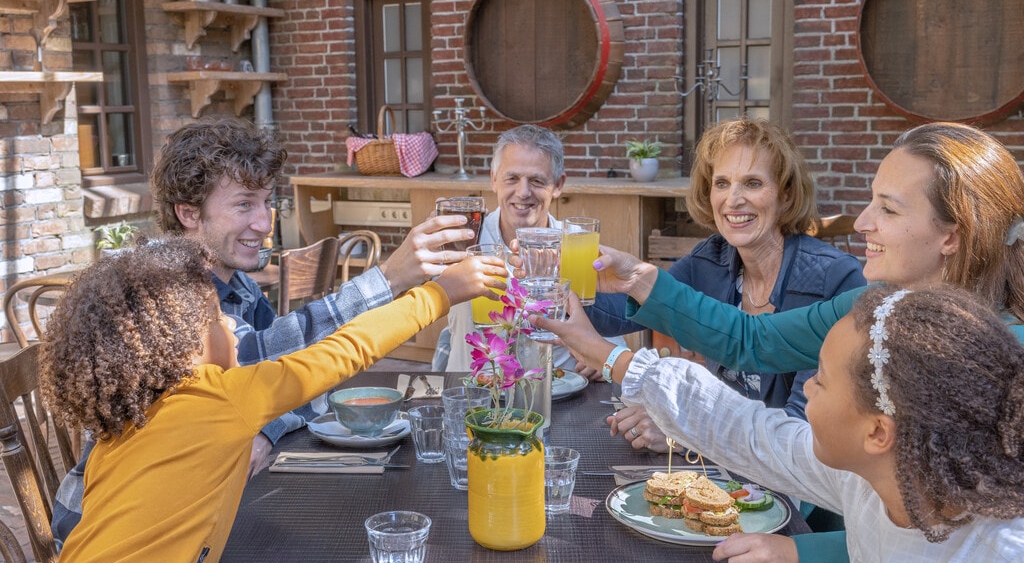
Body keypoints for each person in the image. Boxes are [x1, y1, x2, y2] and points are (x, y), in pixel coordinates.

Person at [571, 121, 1024, 561]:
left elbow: (957, 536)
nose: (863, 222)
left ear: (951, 235)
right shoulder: (874, 302)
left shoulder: (995, 363)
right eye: (721, 183)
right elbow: (754, 342)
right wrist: (627, 283)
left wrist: (802, 547)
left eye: (887, 208)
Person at [51, 117, 479, 548]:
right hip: (106, 521)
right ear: (187, 212)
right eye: (243, 205)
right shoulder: (153, 295)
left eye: (266, 202)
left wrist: (265, 426)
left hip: (206, 510)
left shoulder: (239, 286)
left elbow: (291, 384)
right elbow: (289, 362)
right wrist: (392, 280)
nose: (264, 223)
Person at [41, 236, 501, 561]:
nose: (232, 327)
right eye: (217, 317)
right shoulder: (216, 399)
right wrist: (440, 294)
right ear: (181, 344)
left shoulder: (123, 427)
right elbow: (345, 351)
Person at [540, 283, 1024, 562]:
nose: (807, 387)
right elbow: (746, 432)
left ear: (878, 432)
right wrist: (612, 358)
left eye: (824, 381)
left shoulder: (998, 550)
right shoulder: (872, 478)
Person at [587, 118, 864, 453]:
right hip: (725, 466)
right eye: (721, 183)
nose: (733, 199)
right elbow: (621, 316)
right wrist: (571, 283)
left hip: (793, 487)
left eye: (752, 183)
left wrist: (684, 434)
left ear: (786, 196)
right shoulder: (713, 258)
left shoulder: (835, 280)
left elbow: (802, 431)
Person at [432, 124, 624, 374]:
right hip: (477, 393)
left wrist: (604, 362)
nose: (523, 192)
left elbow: (611, 331)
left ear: (557, 185)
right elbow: (420, 300)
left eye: (536, 181)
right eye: (512, 178)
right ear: (493, 180)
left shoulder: (579, 245)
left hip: (562, 392)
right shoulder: (465, 241)